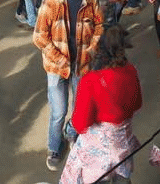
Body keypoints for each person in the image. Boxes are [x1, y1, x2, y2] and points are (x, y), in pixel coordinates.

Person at [33, 0, 104, 172]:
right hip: (57, 68)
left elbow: (100, 26)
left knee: (79, 108)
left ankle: (72, 134)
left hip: (81, 64)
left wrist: (92, 49)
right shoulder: (52, 1)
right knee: (58, 111)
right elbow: (39, 36)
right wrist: (58, 57)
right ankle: (54, 147)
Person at [60, 25, 143, 184]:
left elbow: (80, 123)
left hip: (99, 154)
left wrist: (69, 129)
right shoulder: (131, 70)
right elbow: (137, 103)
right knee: (121, 178)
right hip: (123, 146)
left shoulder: (91, 81)